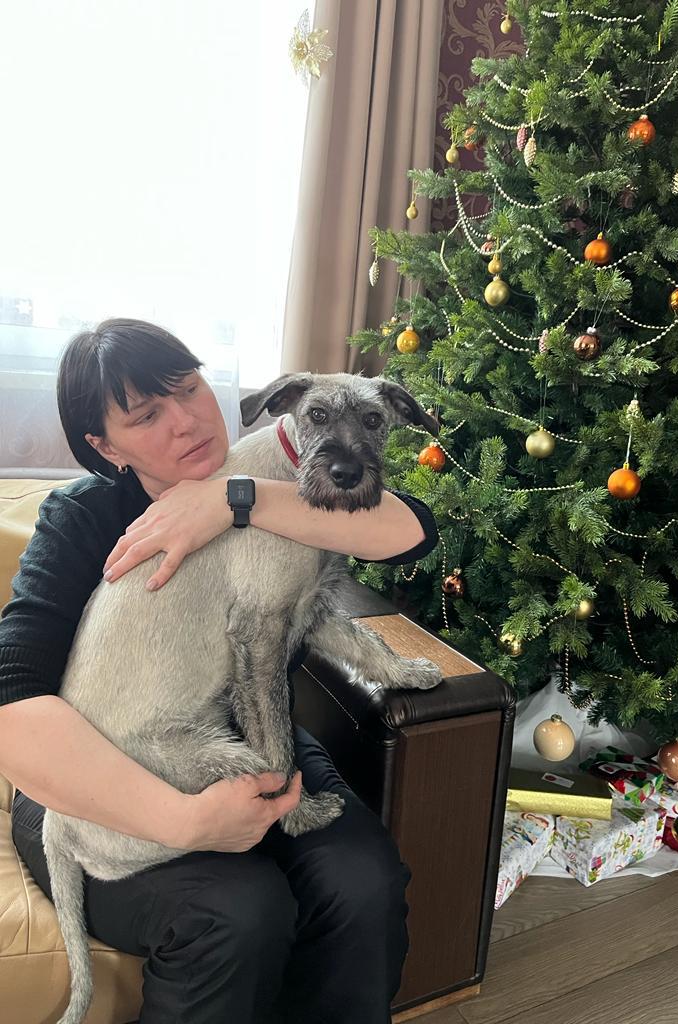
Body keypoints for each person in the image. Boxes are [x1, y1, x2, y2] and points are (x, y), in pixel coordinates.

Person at [0, 318, 439, 1024]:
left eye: (188, 388)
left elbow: (412, 530)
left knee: (364, 882)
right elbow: (12, 702)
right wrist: (182, 821)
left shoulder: (267, 473)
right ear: (105, 446)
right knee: (238, 913)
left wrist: (234, 498)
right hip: (92, 778)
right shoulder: (79, 519)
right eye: (146, 415)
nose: (185, 420)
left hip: (245, 737)